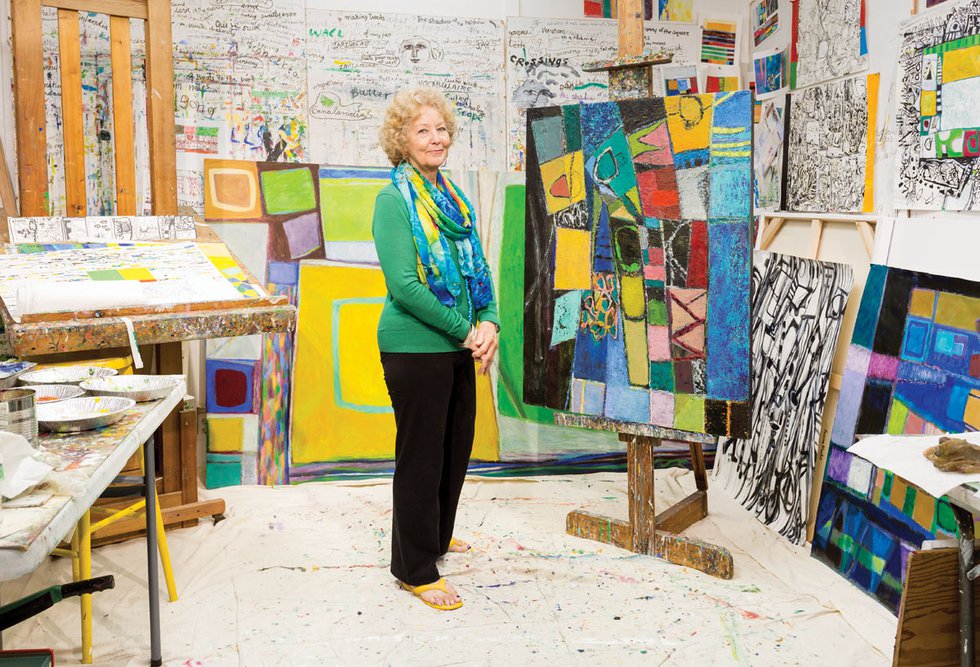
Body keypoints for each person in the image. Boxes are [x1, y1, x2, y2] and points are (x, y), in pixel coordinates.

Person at [373, 87, 499, 611]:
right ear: (402, 140)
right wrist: (466, 329)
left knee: (453, 451)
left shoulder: (451, 197)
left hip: (456, 343)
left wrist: (488, 320)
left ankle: (437, 536)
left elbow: (477, 270)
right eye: (422, 130)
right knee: (422, 457)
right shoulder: (393, 200)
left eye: (441, 129)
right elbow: (405, 286)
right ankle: (414, 567)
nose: (435, 138)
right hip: (415, 347)